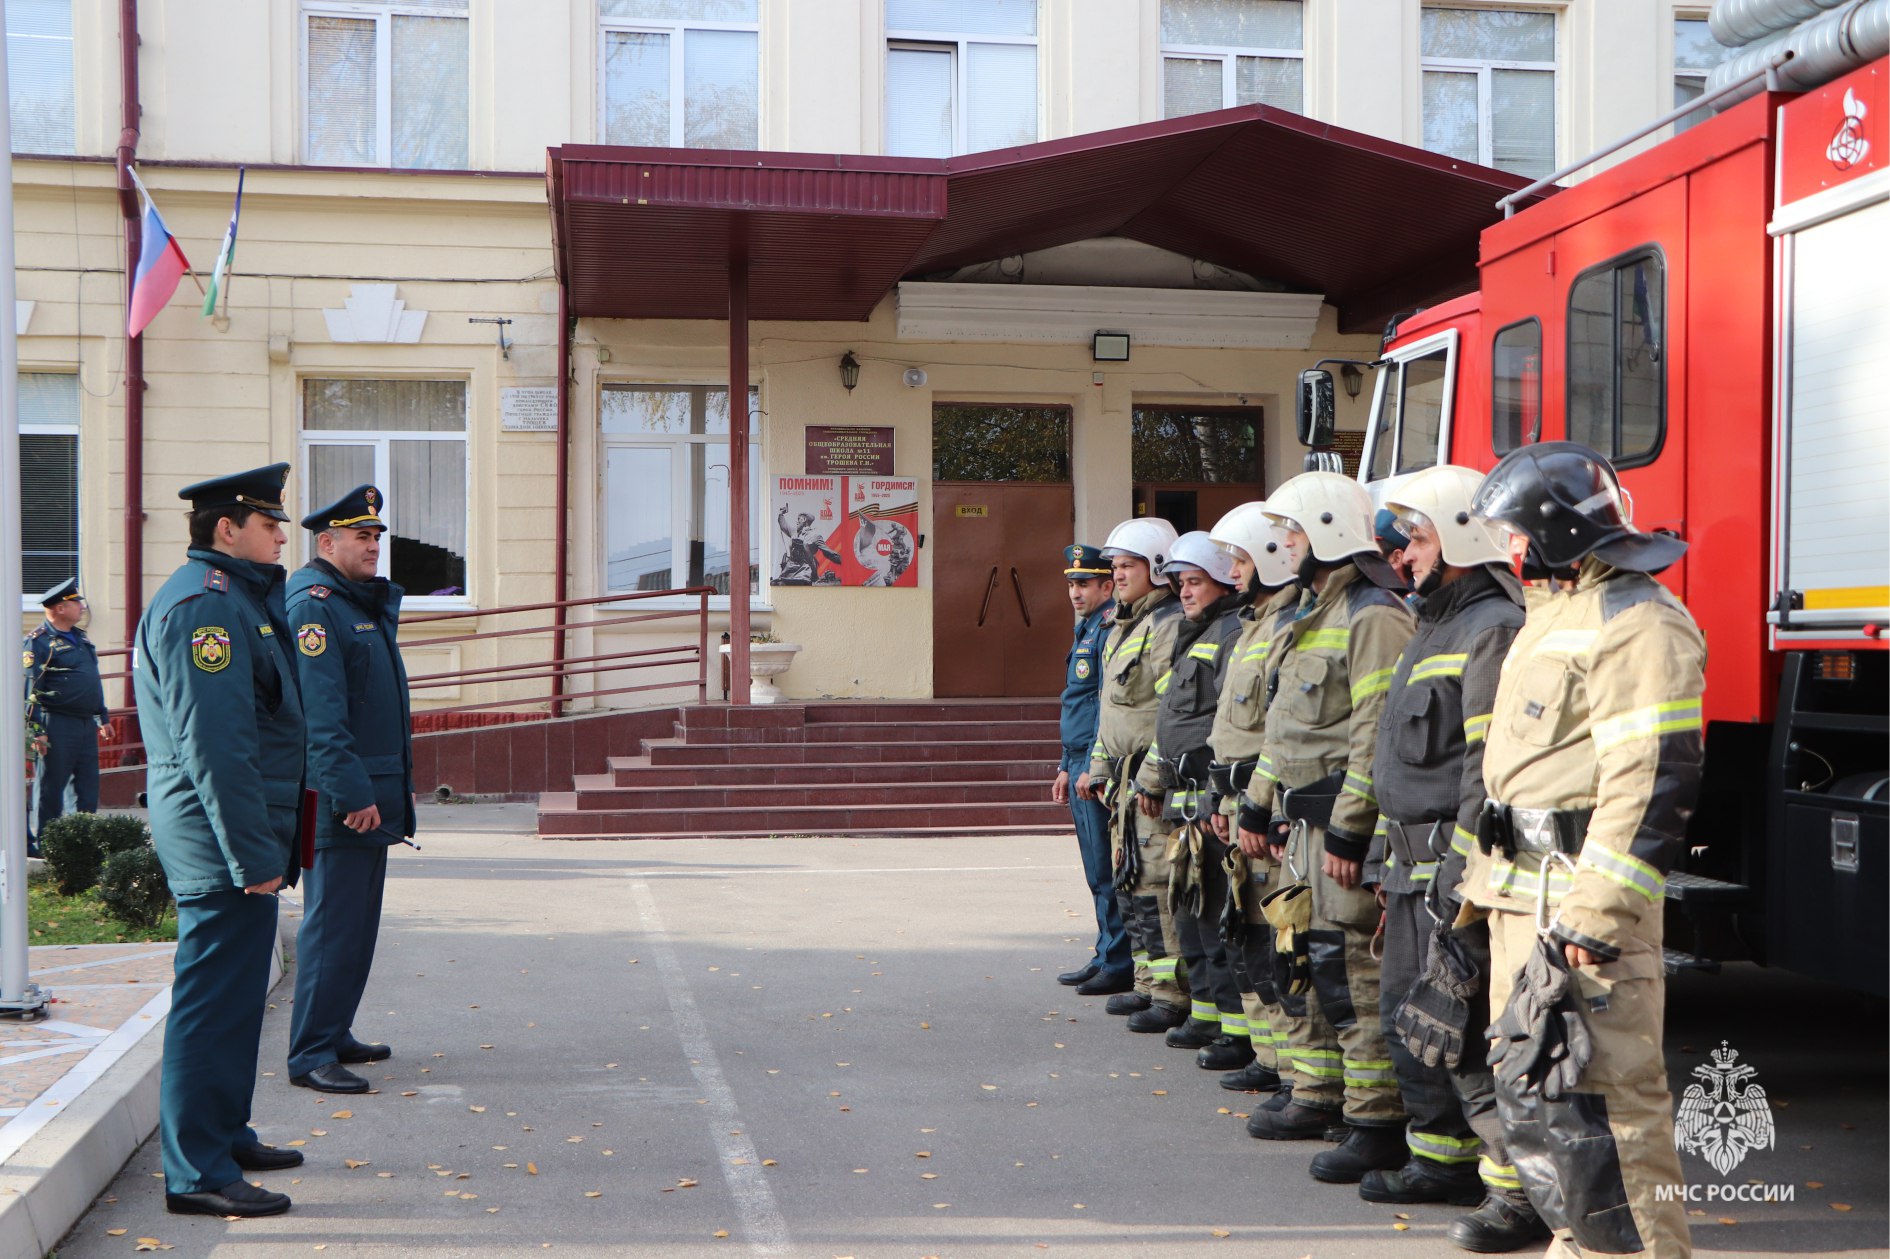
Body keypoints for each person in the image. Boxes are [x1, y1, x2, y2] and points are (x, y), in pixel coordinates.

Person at [1463, 442, 1702, 1259]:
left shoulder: (1638, 620)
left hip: (1579, 907)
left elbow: (1652, 781)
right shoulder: (1556, 608)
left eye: (1516, 534)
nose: (1509, 551)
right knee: (1549, 1106)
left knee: (1611, 1109)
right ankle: (1582, 1245)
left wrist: (1594, 913)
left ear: (1556, 532)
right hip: (1521, 899)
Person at [1354, 466, 1546, 1250]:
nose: (1402, 557)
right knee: (1414, 1012)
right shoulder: (1433, 622)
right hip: (1408, 866)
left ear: (1462, 536)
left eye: (1418, 538)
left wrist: (1458, 880)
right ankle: (1440, 1160)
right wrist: (1376, 856)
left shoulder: (1490, 625)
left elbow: (1483, 775)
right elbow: (1390, 759)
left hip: (1450, 873)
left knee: (1463, 1026)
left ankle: (1517, 1190)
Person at [134, 463, 305, 1219]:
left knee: (237, 999)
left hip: (235, 836)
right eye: (270, 525)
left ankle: (225, 1132)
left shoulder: (235, 599)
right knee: (211, 1002)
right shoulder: (205, 609)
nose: (281, 536)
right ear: (226, 529)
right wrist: (253, 855)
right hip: (220, 842)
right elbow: (217, 745)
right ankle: (195, 1169)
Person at [1236, 471, 1414, 1170]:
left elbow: (1373, 732)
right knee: (1298, 961)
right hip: (1296, 834)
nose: (1285, 543)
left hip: (1334, 833)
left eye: (1296, 530)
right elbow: (1284, 732)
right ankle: (1321, 1093)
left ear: (1331, 532)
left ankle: (1375, 1118)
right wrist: (1257, 799)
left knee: (1351, 976)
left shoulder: (1373, 615)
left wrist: (1350, 829)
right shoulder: (1312, 613)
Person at [286, 485, 416, 1094]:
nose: (372, 545)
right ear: (326, 542)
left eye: (376, 536)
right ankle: (310, 1052)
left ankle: (334, 1031)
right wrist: (350, 792)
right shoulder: (316, 605)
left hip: (371, 795)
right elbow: (321, 715)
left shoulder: (355, 602)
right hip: (344, 800)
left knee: (356, 926)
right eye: (360, 536)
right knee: (332, 924)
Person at [1134, 532, 1248, 1065]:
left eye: (1195, 582)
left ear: (1223, 582)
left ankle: (1234, 1029)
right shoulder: (1192, 632)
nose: (1184, 591)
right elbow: (1171, 718)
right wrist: (1155, 779)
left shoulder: (1229, 633)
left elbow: (1226, 723)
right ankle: (1205, 1013)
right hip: (1181, 797)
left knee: (1214, 915)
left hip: (1206, 797)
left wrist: (1215, 800)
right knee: (1190, 912)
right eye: (1180, 583)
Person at [1075, 517, 1185, 1030]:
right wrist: (1097, 766)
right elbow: (1110, 708)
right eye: (1115, 567)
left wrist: (1154, 778)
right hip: (1120, 783)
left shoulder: (1167, 626)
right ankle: (1145, 982)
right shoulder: (1126, 623)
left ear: (1157, 569)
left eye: (1127, 567)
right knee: (1132, 887)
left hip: (1146, 784)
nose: (1117, 576)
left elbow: (1171, 713)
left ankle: (1169, 994)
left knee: (1158, 889)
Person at [1204, 503, 1299, 1093]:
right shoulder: (1254, 625)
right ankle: (1269, 1060)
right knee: (1245, 935)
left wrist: (1258, 807)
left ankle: (1293, 1070)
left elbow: (1277, 732)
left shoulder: (1285, 627)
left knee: (1272, 943)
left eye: (1240, 559)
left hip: (1264, 808)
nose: (1234, 570)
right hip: (1238, 801)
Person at [1052, 543, 1130, 995]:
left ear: (1106, 586)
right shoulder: (1087, 629)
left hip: (1094, 764)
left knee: (1106, 867)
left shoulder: (1107, 630)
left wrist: (1090, 766)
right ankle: (1105, 953)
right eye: (1071, 585)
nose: (1075, 592)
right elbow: (1075, 705)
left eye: (1084, 584)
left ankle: (1118, 961)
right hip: (1079, 759)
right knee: (1094, 868)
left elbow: (1105, 707)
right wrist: (1066, 764)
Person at [24, 578, 111, 845]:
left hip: (85, 723)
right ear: (60, 608)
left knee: (86, 788)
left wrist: (102, 717)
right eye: (76, 603)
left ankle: (81, 845)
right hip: (56, 723)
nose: (82, 607)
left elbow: (92, 680)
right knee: (51, 787)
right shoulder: (38, 643)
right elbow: (30, 689)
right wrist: (37, 731)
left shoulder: (81, 638)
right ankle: (46, 843)